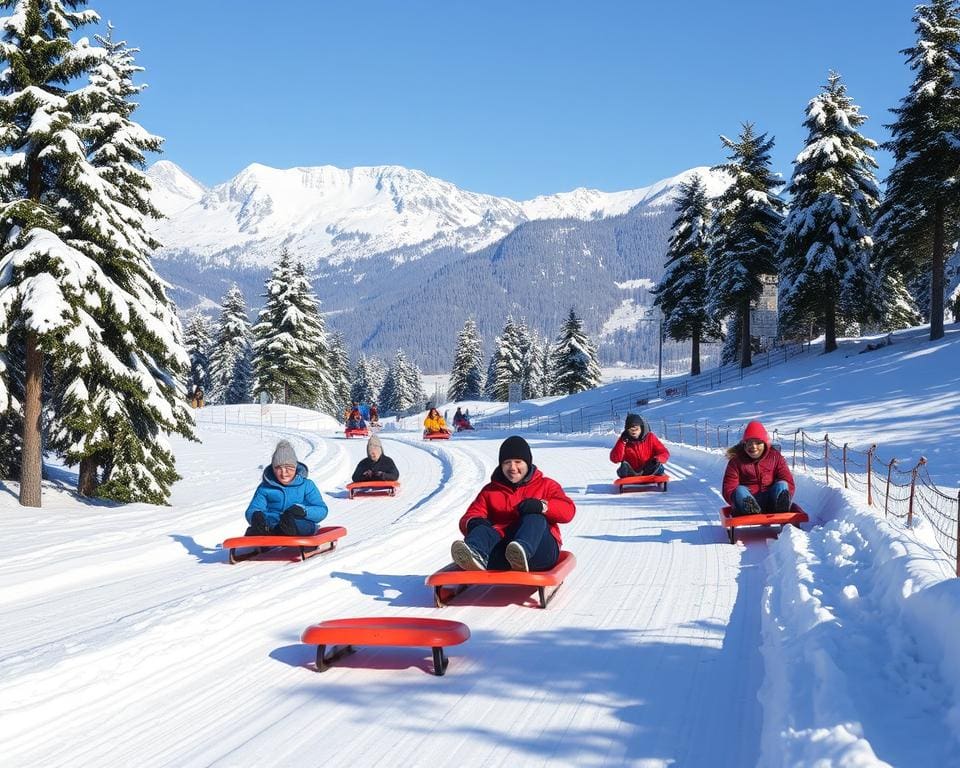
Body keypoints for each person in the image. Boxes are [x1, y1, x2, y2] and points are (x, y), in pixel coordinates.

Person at [451, 435, 575, 572]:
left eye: (518, 462)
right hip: (503, 551)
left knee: (534, 518)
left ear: (527, 463)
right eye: (507, 463)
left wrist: (542, 506)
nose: (513, 468)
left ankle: (520, 553)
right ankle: (474, 555)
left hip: (540, 551)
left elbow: (568, 511)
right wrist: (474, 523)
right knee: (482, 529)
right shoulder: (491, 490)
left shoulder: (546, 485)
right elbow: (469, 516)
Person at [244, 440, 329, 536]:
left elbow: (322, 510)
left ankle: (282, 530)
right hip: (273, 523)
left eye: (289, 468)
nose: (284, 473)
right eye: (278, 468)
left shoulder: (306, 485)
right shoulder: (265, 488)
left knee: (297, 523)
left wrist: (304, 511)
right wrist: (255, 516)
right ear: (273, 469)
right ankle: (266, 534)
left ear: (295, 467)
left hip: (298, 522)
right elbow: (253, 509)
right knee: (261, 523)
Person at [722, 420, 796, 516]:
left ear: (765, 444)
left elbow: (787, 479)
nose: (753, 447)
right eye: (749, 443)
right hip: (747, 499)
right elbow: (729, 487)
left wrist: (785, 496)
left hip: (771, 500)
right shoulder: (736, 461)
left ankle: (781, 508)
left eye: (758, 443)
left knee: (782, 484)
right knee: (739, 490)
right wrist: (735, 499)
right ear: (744, 445)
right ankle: (751, 509)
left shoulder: (775, 457)